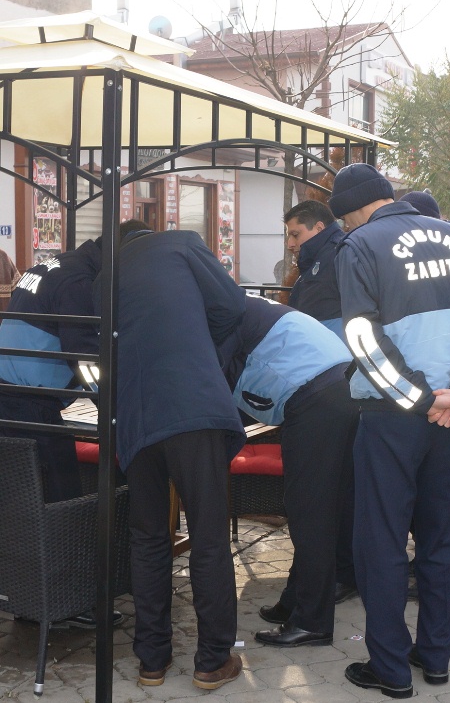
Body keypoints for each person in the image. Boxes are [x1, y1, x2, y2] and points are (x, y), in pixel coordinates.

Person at [329, 163, 450, 698]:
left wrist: (421, 399)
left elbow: (363, 338)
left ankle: (390, 669)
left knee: (379, 542)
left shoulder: (359, 246)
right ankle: (435, 658)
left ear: (351, 212)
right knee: (441, 535)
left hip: (393, 418)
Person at [117, 225, 246, 690]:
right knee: (208, 536)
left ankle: (151, 661)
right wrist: (202, 352)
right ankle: (212, 662)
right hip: (192, 407)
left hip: (134, 417)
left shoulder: (104, 273)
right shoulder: (181, 243)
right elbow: (232, 307)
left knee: (149, 538)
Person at [220, 295, 358, 647]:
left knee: (311, 513)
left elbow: (217, 392)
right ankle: (295, 603)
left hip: (318, 397)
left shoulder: (215, 319)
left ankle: (313, 622)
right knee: (311, 510)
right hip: (335, 389)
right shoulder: (234, 306)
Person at [255, 199, 359, 631]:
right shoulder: (318, 263)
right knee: (323, 499)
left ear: (320, 227)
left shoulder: (339, 257)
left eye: (297, 235)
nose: (292, 245)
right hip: (324, 387)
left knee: (316, 504)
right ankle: (305, 593)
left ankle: (318, 600)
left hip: (328, 386)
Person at [0, 236, 102, 503]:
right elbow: (85, 357)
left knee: (19, 489)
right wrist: (111, 402)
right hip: (31, 401)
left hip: (10, 389)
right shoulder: (79, 281)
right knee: (62, 491)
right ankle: (66, 541)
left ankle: (26, 541)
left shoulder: (51, 265)